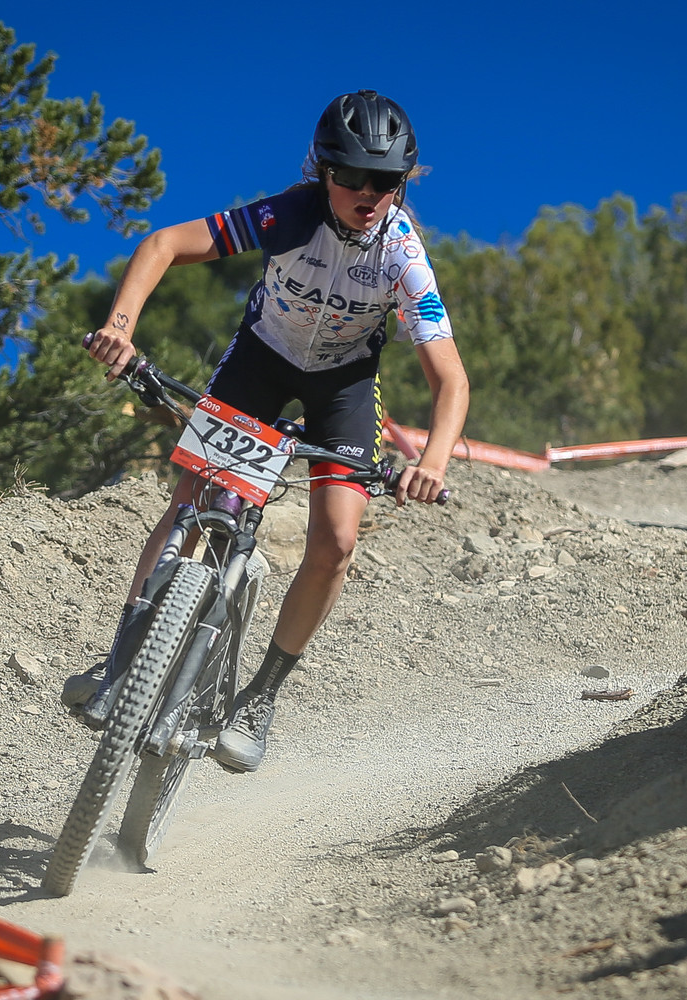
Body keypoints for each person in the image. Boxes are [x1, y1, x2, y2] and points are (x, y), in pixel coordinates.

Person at [61, 89, 469, 773]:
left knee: (336, 542)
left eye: (386, 181)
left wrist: (433, 462)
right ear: (323, 171)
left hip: (343, 386)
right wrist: (119, 328)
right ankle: (120, 662)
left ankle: (261, 697)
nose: (368, 193)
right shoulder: (288, 214)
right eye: (351, 176)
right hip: (261, 361)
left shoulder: (403, 256)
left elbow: (450, 379)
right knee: (190, 501)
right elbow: (163, 244)